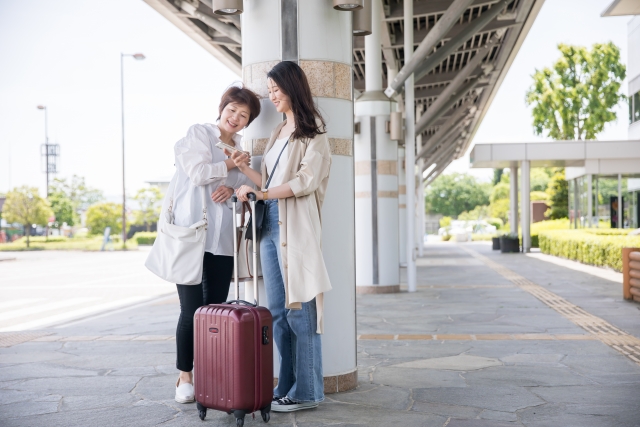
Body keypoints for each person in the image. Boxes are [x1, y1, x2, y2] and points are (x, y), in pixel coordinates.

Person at [233, 61, 333, 412]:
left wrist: (263, 195)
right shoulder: (278, 132)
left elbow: (305, 182)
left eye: (277, 89)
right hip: (269, 227)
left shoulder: (314, 135)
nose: (272, 95)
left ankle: (308, 392)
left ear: (293, 88)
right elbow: (269, 183)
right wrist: (245, 170)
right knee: (277, 311)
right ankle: (286, 385)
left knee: (301, 312)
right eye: (270, 90)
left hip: (296, 228)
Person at [165, 85, 261, 404]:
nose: (235, 118)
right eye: (232, 110)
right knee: (191, 310)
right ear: (221, 108)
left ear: (248, 122)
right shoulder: (199, 134)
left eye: (243, 115)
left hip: (221, 242)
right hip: (191, 236)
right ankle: (185, 376)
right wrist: (231, 166)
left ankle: (208, 373)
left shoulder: (241, 150)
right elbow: (197, 173)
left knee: (215, 311)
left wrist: (233, 190)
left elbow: (238, 190)